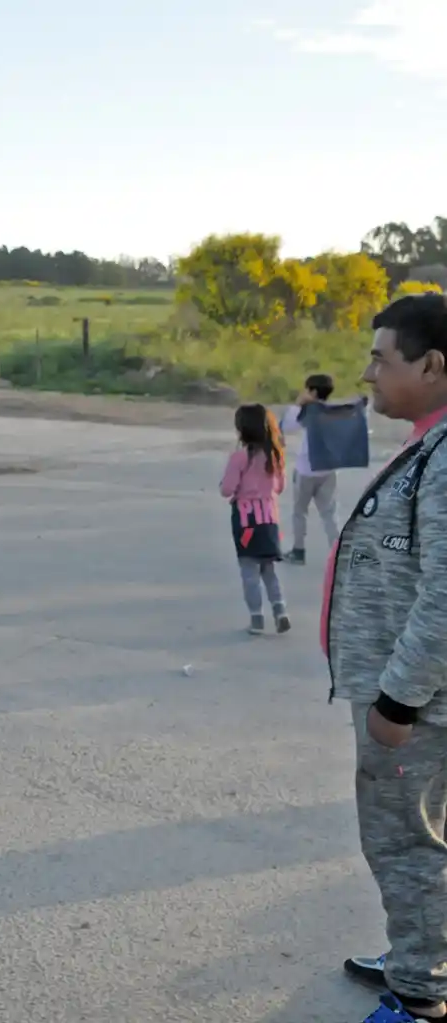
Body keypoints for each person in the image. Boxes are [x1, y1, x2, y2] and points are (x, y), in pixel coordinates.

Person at [328, 294, 447, 1023]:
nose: (368, 373)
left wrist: (398, 699)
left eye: (382, 358)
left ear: (434, 366)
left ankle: (419, 992)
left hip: (416, 702)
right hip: (412, 692)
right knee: (423, 835)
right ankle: (420, 950)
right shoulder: (432, 444)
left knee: (407, 842)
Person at [220, 404, 289, 636]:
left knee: (249, 570)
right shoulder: (275, 455)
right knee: (268, 568)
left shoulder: (239, 457)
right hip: (269, 519)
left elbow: (227, 489)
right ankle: (280, 611)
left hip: (246, 522)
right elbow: (279, 487)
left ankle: (257, 617)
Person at [280, 373, 342, 564]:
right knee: (328, 513)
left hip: (306, 470)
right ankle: (338, 552)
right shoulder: (334, 412)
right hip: (328, 469)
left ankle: (298, 551)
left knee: (299, 512)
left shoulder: (309, 412)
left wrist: (298, 403)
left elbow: (287, 426)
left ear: (312, 392)